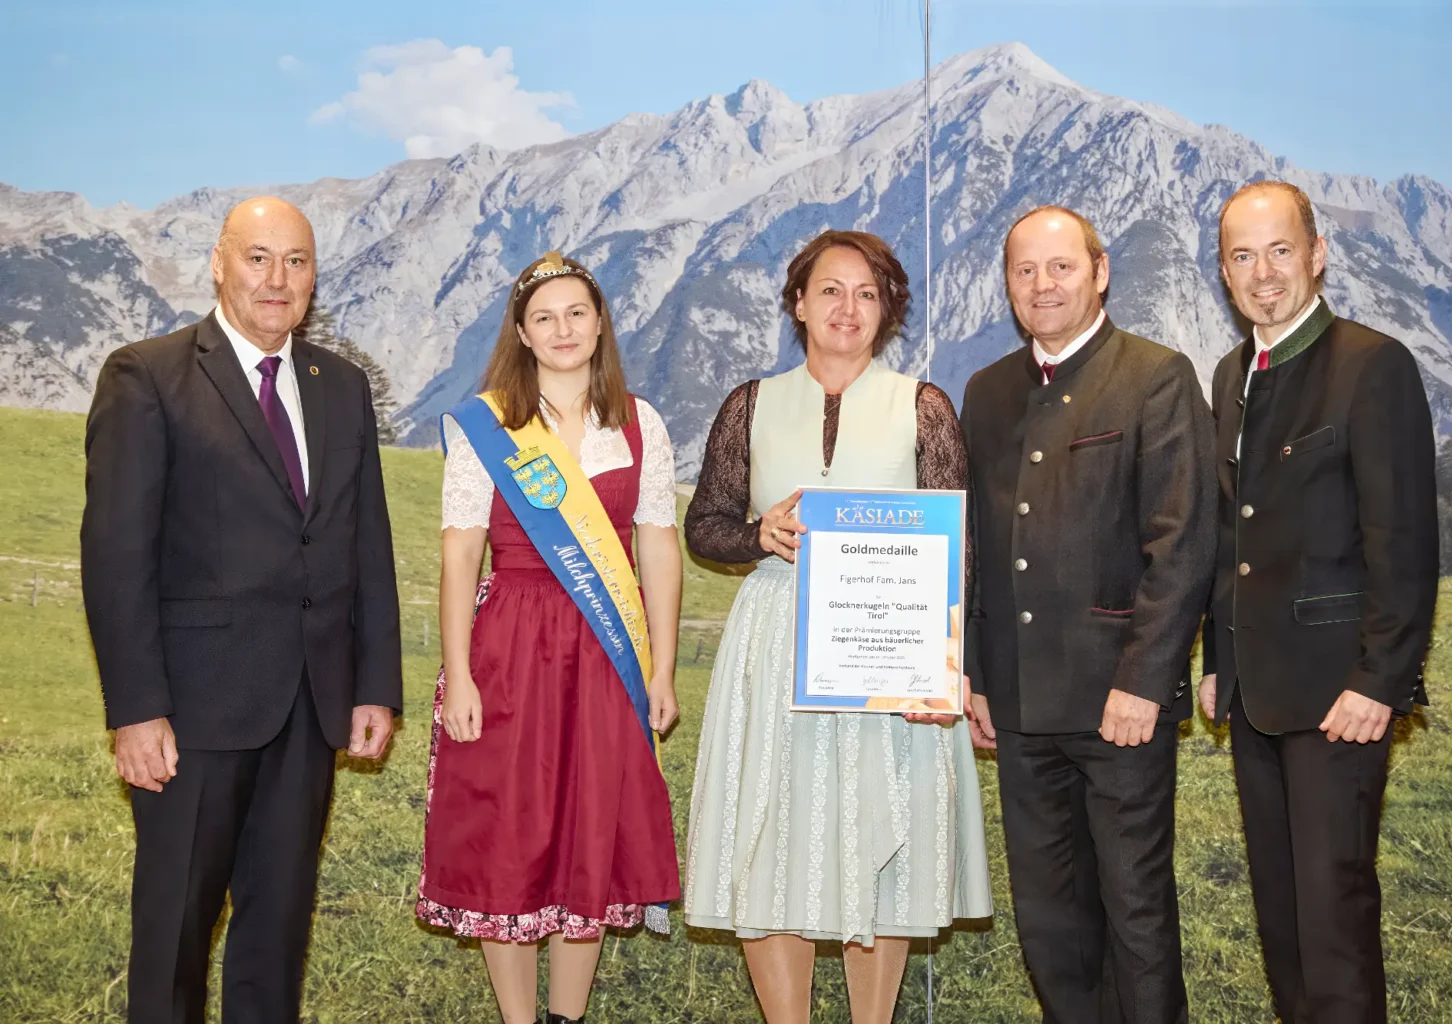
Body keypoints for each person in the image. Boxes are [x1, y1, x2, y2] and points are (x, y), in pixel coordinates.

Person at [81, 197, 403, 1024]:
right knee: (175, 934)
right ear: (219, 263)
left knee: (277, 932)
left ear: (314, 278)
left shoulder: (342, 387)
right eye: (258, 258)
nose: (277, 279)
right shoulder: (146, 375)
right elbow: (117, 558)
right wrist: (137, 709)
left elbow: (365, 544)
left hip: (311, 704)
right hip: (194, 711)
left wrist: (375, 685)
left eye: (296, 262)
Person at [684, 230, 992, 1024]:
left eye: (866, 291)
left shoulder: (923, 406)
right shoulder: (750, 402)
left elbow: (960, 550)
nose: (846, 307)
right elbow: (705, 525)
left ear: (888, 307)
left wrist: (951, 663)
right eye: (829, 289)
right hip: (775, 643)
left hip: (893, 649)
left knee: (878, 836)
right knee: (772, 842)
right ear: (798, 302)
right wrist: (760, 535)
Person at [962, 206, 1215, 1023]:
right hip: (1021, 708)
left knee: (1136, 913)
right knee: (1050, 919)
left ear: (1100, 272)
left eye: (1060, 267)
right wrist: (977, 675)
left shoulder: (1156, 374)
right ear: (1006, 284)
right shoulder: (989, 390)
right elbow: (976, 548)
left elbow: (1180, 544)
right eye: (1024, 271)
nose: (1042, 285)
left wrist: (1145, 681)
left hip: (1119, 707)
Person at [416, 252, 683, 1024]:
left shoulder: (641, 421)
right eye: (545, 318)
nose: (563, 329)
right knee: (510, 826)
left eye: (576, 313)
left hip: (607, 651)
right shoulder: (486, 423)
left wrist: (662, 668)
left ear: (599, 323)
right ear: (523, 335)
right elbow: (461, 552)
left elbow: (657, 546)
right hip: (511, 644)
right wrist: (458, 673)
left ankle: (568, 1018)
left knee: (588, 824)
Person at [1199, 181, 1438, 1024]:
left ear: (1316, 254)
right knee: (1282, 922)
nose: (1262, 273)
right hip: (1256, 695)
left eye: (1278, 251)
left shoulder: (1373, 366)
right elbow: (1231, 535)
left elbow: (1403, 547)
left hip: (1342, 698)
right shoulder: (1231, 375)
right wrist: (1217, 662)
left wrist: (1381, 681)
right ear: (1224, 274)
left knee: (1333, 922)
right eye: (1241, 256)